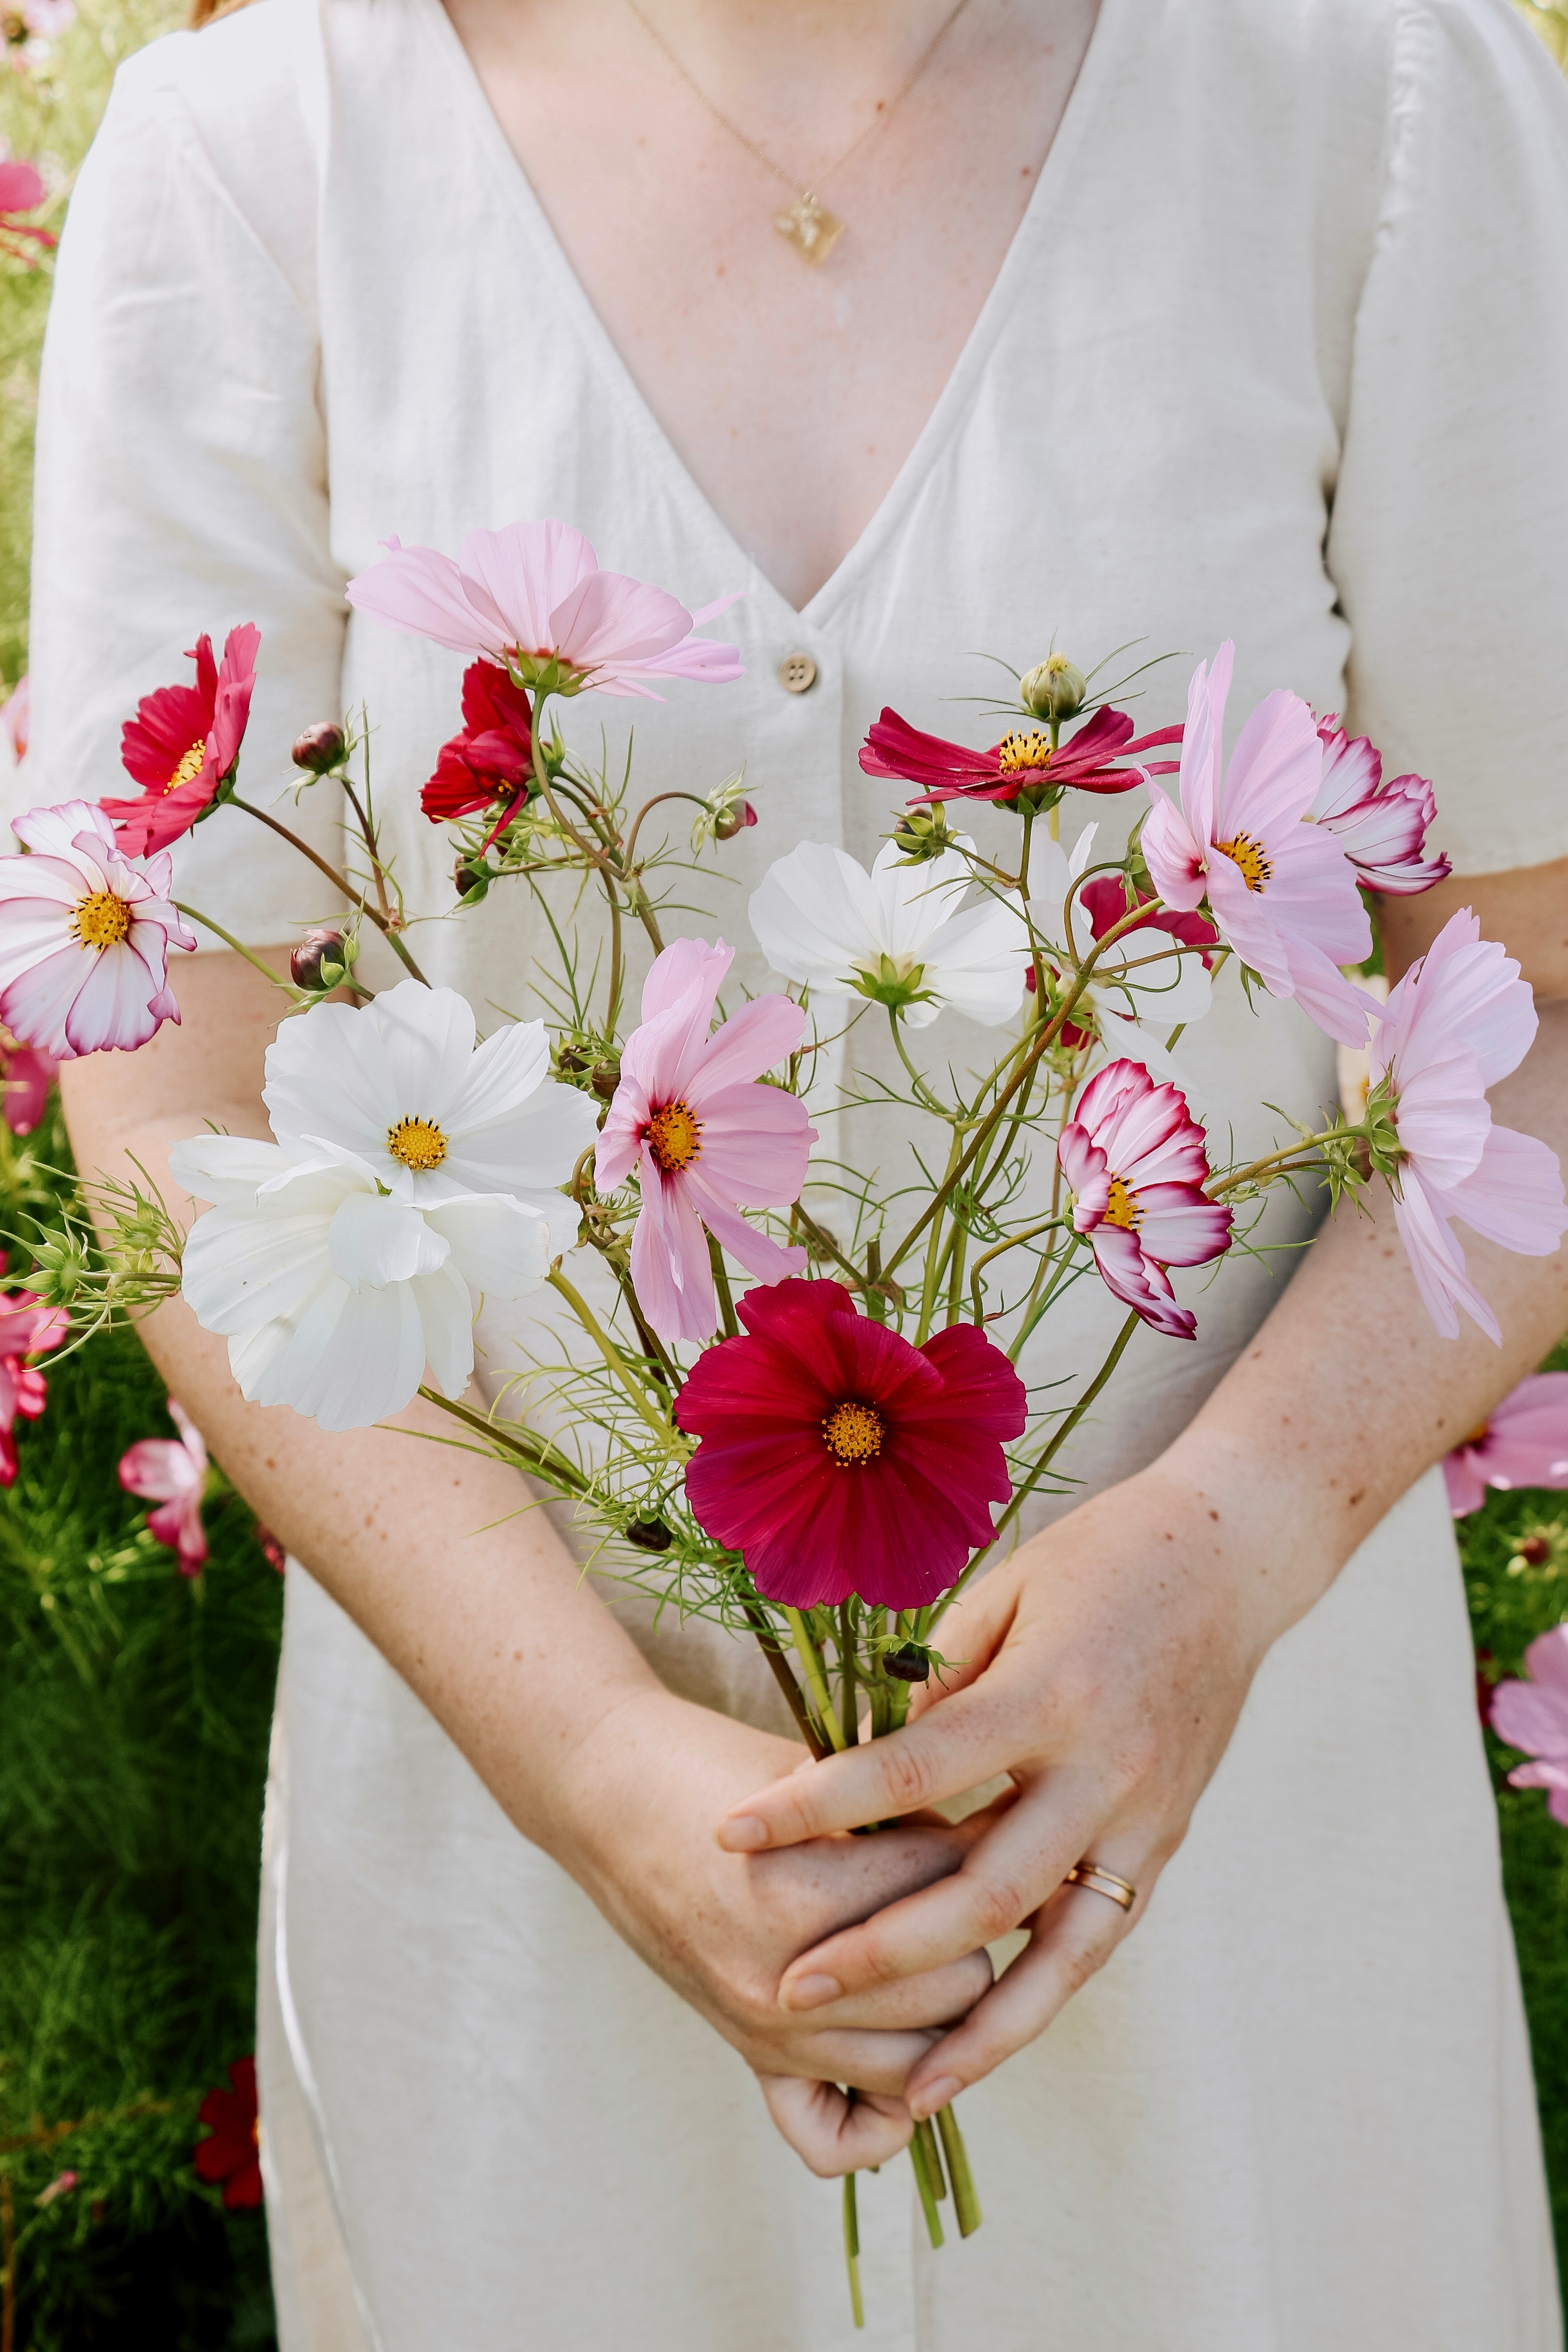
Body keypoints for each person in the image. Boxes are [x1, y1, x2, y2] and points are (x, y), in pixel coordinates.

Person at [16, 0, 1568, 2342]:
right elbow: (172, 1079)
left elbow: (1532, 998)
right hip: (543, 1889)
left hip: (1232, 1846)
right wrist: (590, 1766)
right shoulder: (265, 155)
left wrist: (1224, 1548)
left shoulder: (1371, 99)